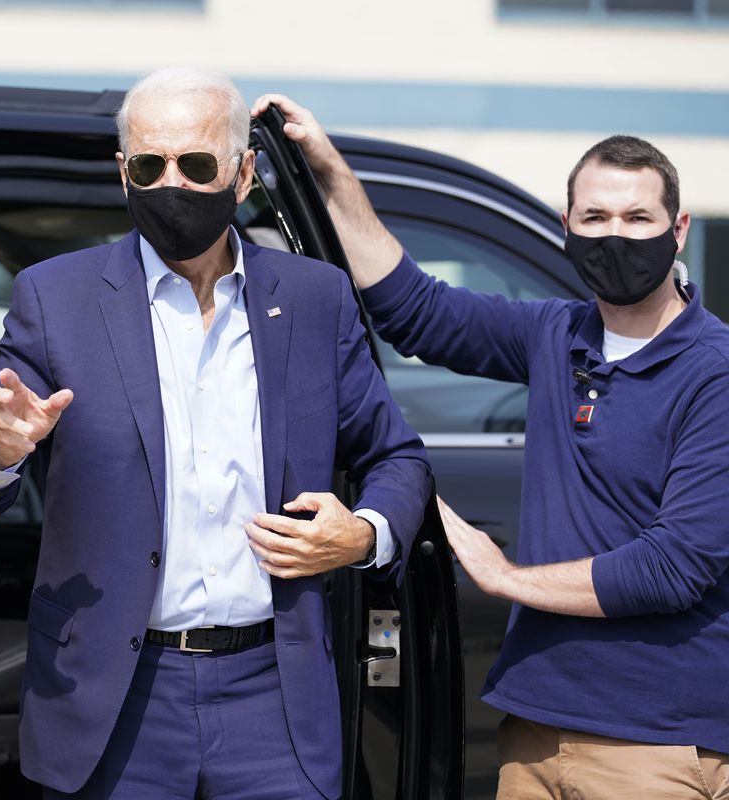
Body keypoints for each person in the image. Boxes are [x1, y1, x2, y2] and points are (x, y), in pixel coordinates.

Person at [0, 67, 430, 799]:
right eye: (148, 166)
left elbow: (396, 457)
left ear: (244, 172)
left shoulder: (313, 298)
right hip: (115, 697)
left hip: (274, 695)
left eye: (196, 166)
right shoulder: (56, 299)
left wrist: (366, 534)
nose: (172, 186)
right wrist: (1, 455)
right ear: (122, 171)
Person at [257, 93, 729, 798]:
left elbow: (673, 568)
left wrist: (503, 575)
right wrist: (329, 172)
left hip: (652, 744)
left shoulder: (714, 370)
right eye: (595, 218)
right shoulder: (556, 334)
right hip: (533, 730)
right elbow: (412, 308)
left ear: (679, 229)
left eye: (638, 218)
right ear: (567, 226)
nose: (616, 237)